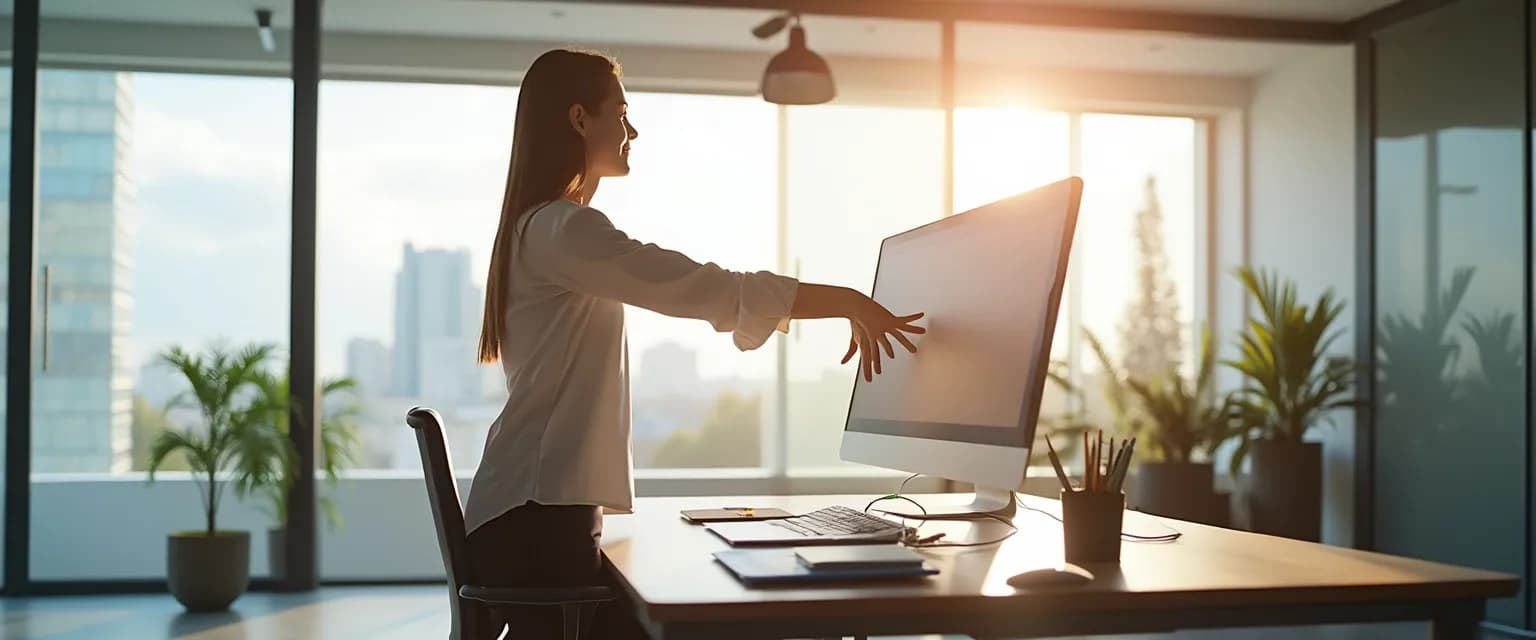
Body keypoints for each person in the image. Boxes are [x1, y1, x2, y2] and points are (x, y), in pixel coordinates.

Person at [462, 49, 926, 639]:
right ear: (580, 118)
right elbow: (701, 287)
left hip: (528, 518)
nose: (633, 130)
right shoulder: (563, 229)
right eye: (622, 113)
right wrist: (847, 300)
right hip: (535, 527)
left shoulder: (539, 228)